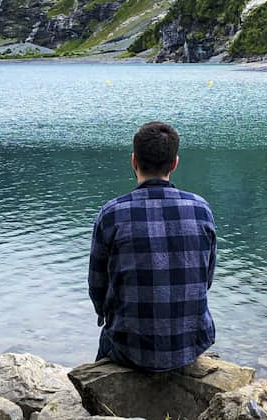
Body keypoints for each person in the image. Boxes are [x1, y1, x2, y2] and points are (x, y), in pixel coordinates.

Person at [87, 121, 218, 372]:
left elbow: (97, 287)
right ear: (175, 163)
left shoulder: (112, 214)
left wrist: (106, 314)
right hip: (191, 341)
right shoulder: (201, 209)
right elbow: (206, 277)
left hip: (129, 347)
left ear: (134, 161)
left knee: (108, 340)